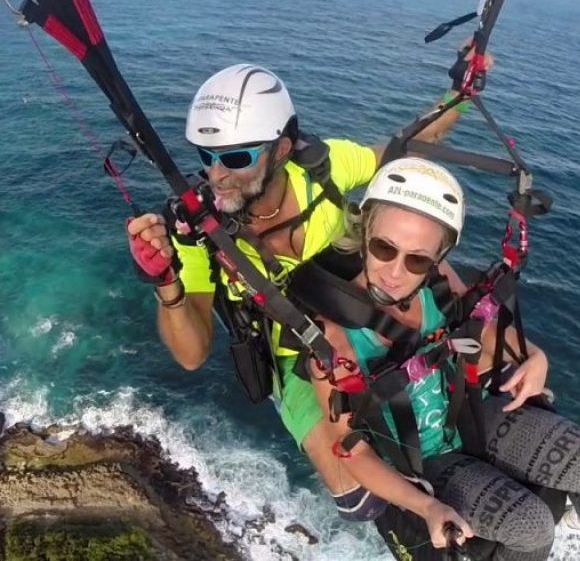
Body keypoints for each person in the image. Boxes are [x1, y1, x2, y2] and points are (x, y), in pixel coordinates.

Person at [125, 55, 485, 521]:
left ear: (281, 150)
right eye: (206, 156)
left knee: (459, 385)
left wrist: (462, 95)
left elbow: (407, 147)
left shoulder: (320, 169)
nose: (216, 174)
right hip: (297, 354)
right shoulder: (200, 234)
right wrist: (167, 281)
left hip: (362, 310)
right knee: (358, 494)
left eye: (235, 157)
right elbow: (192, 355)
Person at [305, 157, 580, 557]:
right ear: (365, 235)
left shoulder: (438, 286)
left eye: (417, 259)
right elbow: (350, 448)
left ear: (438, 257)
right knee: (531, 530)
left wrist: (534, 355)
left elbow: (478, 335)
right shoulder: (334, 340)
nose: (394, 273)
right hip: (421, 457)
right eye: (383, 248)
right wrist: (427, 506)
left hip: (469, 413)